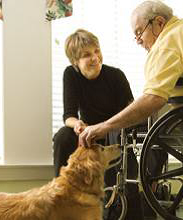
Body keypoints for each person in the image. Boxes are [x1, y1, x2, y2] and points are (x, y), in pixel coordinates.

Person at [78, 2, 183, 217]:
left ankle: (124, 206)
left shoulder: (169, 41)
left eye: (139, 32)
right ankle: (147, 191)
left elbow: (153, 99)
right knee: (134, 123)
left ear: (159, 23)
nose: (138, 41)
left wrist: (105, 126)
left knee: (117, 130)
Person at [52, 29, 144, 220]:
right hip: (88, 133)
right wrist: (77, 124)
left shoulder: (116, 76)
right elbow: (68, 115)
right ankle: (59, 195)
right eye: (87, 55)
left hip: (115, 130)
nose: (95, 57)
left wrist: (107, 127)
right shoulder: (70, 74)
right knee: (63, 136)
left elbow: (131, 114)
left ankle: (123, 206)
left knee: (118, 138)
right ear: (75, 62)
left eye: (97, 51)